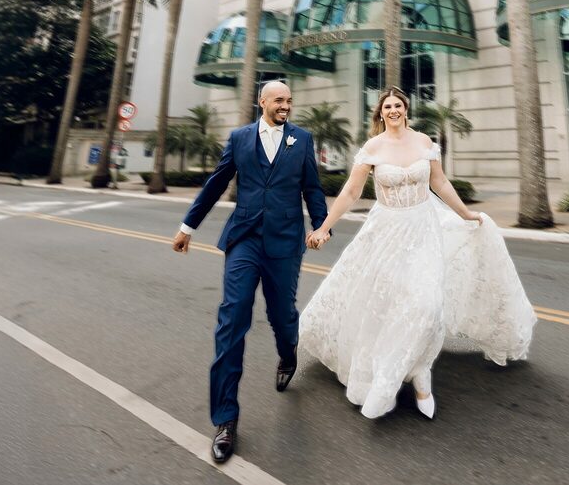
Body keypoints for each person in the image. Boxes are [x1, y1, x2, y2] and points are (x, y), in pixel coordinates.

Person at [300, 87, 536, 420]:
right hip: (387, 231)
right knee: (388, 303)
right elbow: (352, 191)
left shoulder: (424, 142)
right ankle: (385, 372)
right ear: (380, 113)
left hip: (424, 228)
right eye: (387, 107)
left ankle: (421, 372)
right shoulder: (373, 147)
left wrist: (465, 214)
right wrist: (324, 226)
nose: (393, 110)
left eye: (398, 105)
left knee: (427, 305)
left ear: (406, 110)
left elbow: (439, 183)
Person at [171, 81, 328, 462]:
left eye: (290, 100)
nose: (286, 105)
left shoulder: (301, 140)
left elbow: (312, 188)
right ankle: (225, 420)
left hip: (285, 241)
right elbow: (217, 183)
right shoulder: (240, 138)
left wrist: (321, 226)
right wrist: (187, 226)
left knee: (282, 315)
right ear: (262, 102)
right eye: (279, 100)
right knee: (233, 317)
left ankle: (288, 353)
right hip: (244, 238)